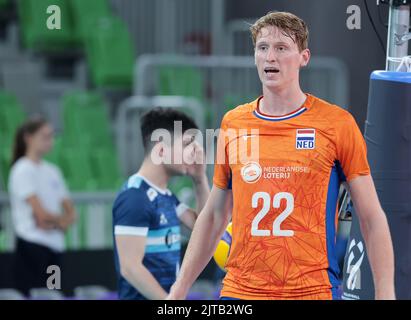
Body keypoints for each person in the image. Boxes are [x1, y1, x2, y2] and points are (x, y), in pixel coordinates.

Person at [167, 11, 395, 300]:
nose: (270, 57)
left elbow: (371, 218)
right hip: (241, 292)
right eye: (262, 48)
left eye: (281, 48)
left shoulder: (336, 124)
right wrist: (179, 290)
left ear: (304, 57)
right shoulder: (234, 123)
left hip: (311, 291)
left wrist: (385, 292)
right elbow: (214, 216)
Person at [112, 108, 210, 300]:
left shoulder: (166, 196)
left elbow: (204, 228)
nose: (193, 154)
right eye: (186, 145)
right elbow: (130, 267)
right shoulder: (135, 197)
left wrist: (199, 179)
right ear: (162, 149)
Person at [8, 117, 76, 296]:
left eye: (51, 136)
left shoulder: (53, 170)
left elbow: (70, 211)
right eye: (44, 136)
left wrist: (57, 222)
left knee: (54, 292)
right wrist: (60, 221)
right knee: (34, 294)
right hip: (32, 248)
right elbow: (41, 215)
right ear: (28, 138)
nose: (50, 141)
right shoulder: (22, 169)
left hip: (54, 248)